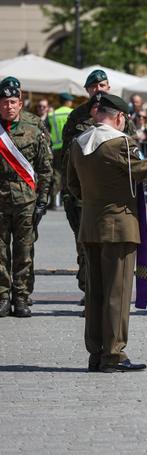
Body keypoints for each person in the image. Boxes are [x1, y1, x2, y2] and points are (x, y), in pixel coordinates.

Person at [67, 93, 147, 373]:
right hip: (119, 227)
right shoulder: (121, 143)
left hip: (90, 226)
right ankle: (113, 355)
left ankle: (96, 352)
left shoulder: (78, 144)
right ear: (120, 117)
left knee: (96, 293)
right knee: (117, 294)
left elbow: (72, 185)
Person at [61, 69, 136, 306]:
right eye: (94, 87)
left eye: (103, 85)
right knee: (86, 247)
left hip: (114, 196)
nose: (99, 90)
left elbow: (131, 151)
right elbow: (66, 157)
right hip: (84, 195)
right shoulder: (77, 117)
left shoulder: (120, 115)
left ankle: (108, 295)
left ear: (108, 87)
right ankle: (90, 291)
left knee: (112, 249)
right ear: (87, 90)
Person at [0, 86, 52, 318]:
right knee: (0, 251)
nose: (8, 107)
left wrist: (42, 201)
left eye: (12, 102)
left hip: (25, 200)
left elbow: (45, 168)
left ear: (20, 104)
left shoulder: (33, 129)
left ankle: (21, 297)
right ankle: (2, 297)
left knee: (24, 250)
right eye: (3, 102)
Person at [48, 93, 74, 205]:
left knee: (57, 173)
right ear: (68, 102)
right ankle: (69, 199)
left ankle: (54, 200)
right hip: (70, 146)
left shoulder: (52, 115)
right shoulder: (73, 113)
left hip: (57, 147)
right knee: (71, 172)